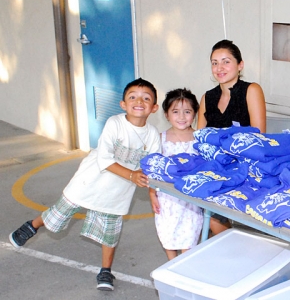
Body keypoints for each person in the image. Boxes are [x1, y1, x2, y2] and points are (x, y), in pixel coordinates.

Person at [9, 78, 161, 291]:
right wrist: (132, 175)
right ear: (123, 104)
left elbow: (152, 164)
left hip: (118, 190)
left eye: (146, 98)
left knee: (110, 230)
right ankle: (32, 226)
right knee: (60, 212)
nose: (139, 101)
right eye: (133, 97)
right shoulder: (115, 123)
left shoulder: (153, 134)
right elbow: (105, 160)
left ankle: (105, 271)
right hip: (91, 180)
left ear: (154, 107)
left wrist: (151, 186)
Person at [197, 39, 266, 235]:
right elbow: (200, 139)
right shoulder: (207, 97)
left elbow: (258, 137)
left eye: (226, 61)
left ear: (240, 65)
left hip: (246, 165)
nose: (219, 68)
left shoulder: (251, 90)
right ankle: (227, 243)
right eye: (214, 62)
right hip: (216, 165)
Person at [149, 88, 204, 260]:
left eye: (187, 111)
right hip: (167, 199)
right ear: (166, 114)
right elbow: (153, 169)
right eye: (175, 112)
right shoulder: (159, 138)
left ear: (195, 113)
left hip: (191, 200)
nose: (181, 117)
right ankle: (171, 265)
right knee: (168, 235)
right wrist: (152, 193)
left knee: (189, 238)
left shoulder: (199, 139)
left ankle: (184, 268)